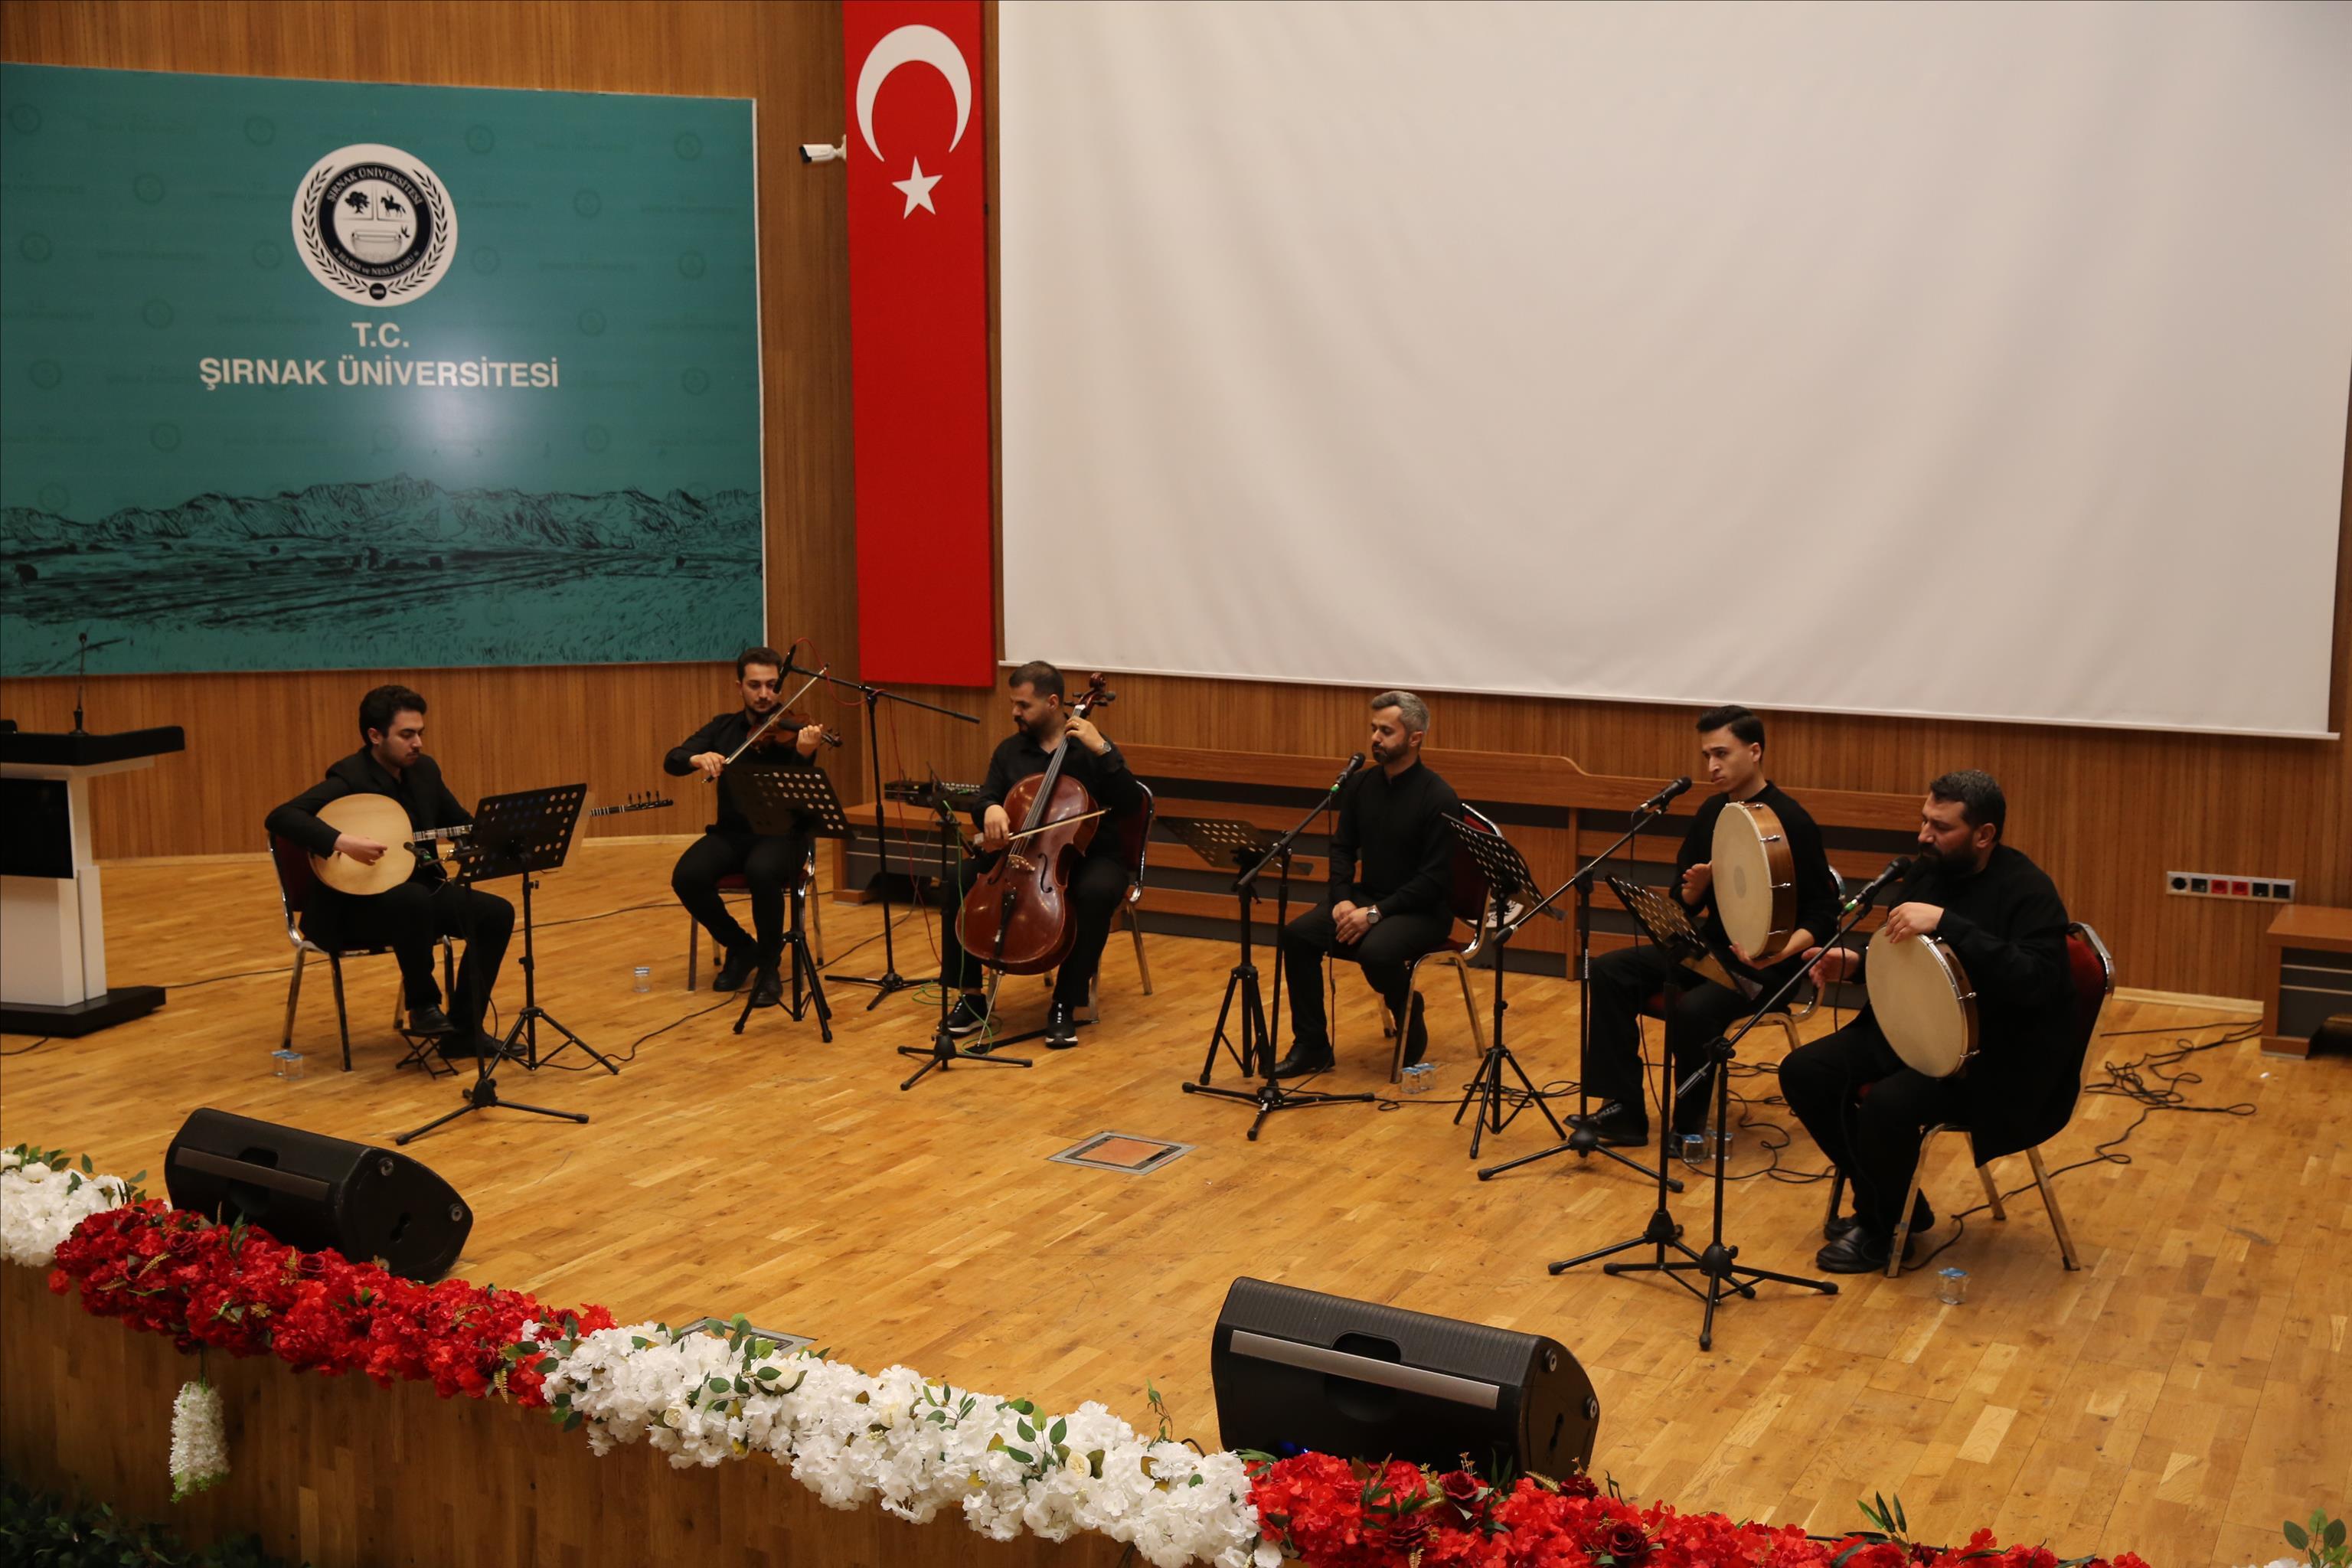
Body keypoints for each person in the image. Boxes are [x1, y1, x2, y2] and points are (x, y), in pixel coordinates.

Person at [1778, 769, 2073, 1272]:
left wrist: (1949, 923)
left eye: (1942, 827)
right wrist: (1857, 964)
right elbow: (1907, 959)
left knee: (1887, 1104)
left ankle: (1881, 1228)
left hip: (1985, 1056)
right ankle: (1898, 1205)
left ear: (1984, 835)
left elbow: (2036, 981)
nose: (1924, 836)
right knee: (1804, 1073)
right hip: (1909, 1029)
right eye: (1924, 821)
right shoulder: (1925, 873)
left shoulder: (2028, 890)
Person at [1570, 705, 1839, 1148]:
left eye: (1722, 754)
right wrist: (1694, 892)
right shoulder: (1713, 812)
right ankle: (1623, 1111)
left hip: (1767, 966)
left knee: (1694, 1010)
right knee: (1609, 971)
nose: (1712, 766)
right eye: (1707, 756)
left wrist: (1783, 952)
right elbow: (1681, 901)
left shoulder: (1791, 820)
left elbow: (1825, 913)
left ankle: (1689, 1126)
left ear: (1755, 752)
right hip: (1711, 950)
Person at [264, 684, 513, 1059]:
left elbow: (459, 822)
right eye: (407, 735)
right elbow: (281, 816)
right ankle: (423, 1005)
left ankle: (464, 1032)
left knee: (496, 914)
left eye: (420, 733)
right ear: (375, 736)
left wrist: (488, 838)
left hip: (418, 896)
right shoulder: (349, 778)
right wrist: (342, 841)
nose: (418, 744)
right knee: (411, 899)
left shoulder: (425, 772)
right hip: (350, 910)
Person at [940, 661, 1145, 1048]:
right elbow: (986, 796)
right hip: (1020, 854)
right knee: (958, 879)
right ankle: (970, 997)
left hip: (1090, 855)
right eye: (1013, 704)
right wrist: (990, 809)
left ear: (1052, 703)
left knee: (1096, 892)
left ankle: (1065, 1002)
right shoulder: (1010, 751)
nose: (1015, 712)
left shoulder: (1092, 748)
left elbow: (1131, 803)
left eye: (1023, 705)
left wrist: (1104, 751)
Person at [1272, 691, 1462, 1078]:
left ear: (1415, 738)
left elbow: (1434, 880)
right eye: (1374, 729)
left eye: (1386, 731)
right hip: (1367, 897)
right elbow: (1342, 848)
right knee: (1298, 935)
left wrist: (1375, 914)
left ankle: (1407, 1005)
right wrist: (1342, 899)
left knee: (1375, 952)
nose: (1375, 738)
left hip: (1422, 910)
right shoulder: (1361, 785)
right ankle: (1312, 1045)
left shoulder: (1439, 797)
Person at [665, 646, 831, 1008]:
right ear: (739, 686)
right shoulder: (723, 727)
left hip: (784, 836)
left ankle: (769, 966)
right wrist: (697, 758)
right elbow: (673, 760)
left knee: (762, 871)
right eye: (755, 685)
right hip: (733, 833)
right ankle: (743, 948)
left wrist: (805, 754)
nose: (764, 694)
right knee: (687, 876)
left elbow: (801, 795)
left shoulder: (795, 729)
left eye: (772, 685)